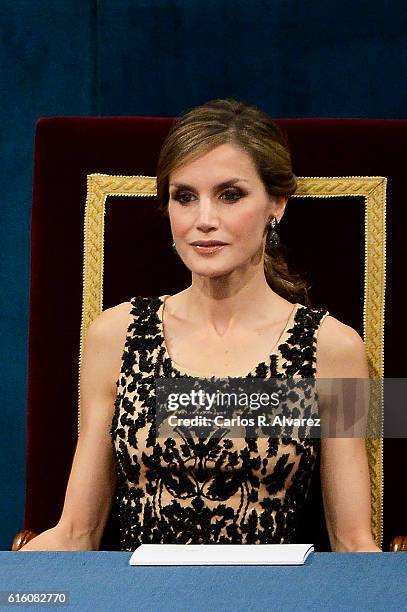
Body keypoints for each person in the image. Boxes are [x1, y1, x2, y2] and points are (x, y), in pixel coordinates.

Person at [19, 98, 381, 552]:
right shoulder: (112, 334)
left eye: (230, 195)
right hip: (136, 598)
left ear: (277, 204)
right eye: (184, 197)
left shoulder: (336, 347)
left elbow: (352, 541)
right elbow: (76, 532)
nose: (204, 220)